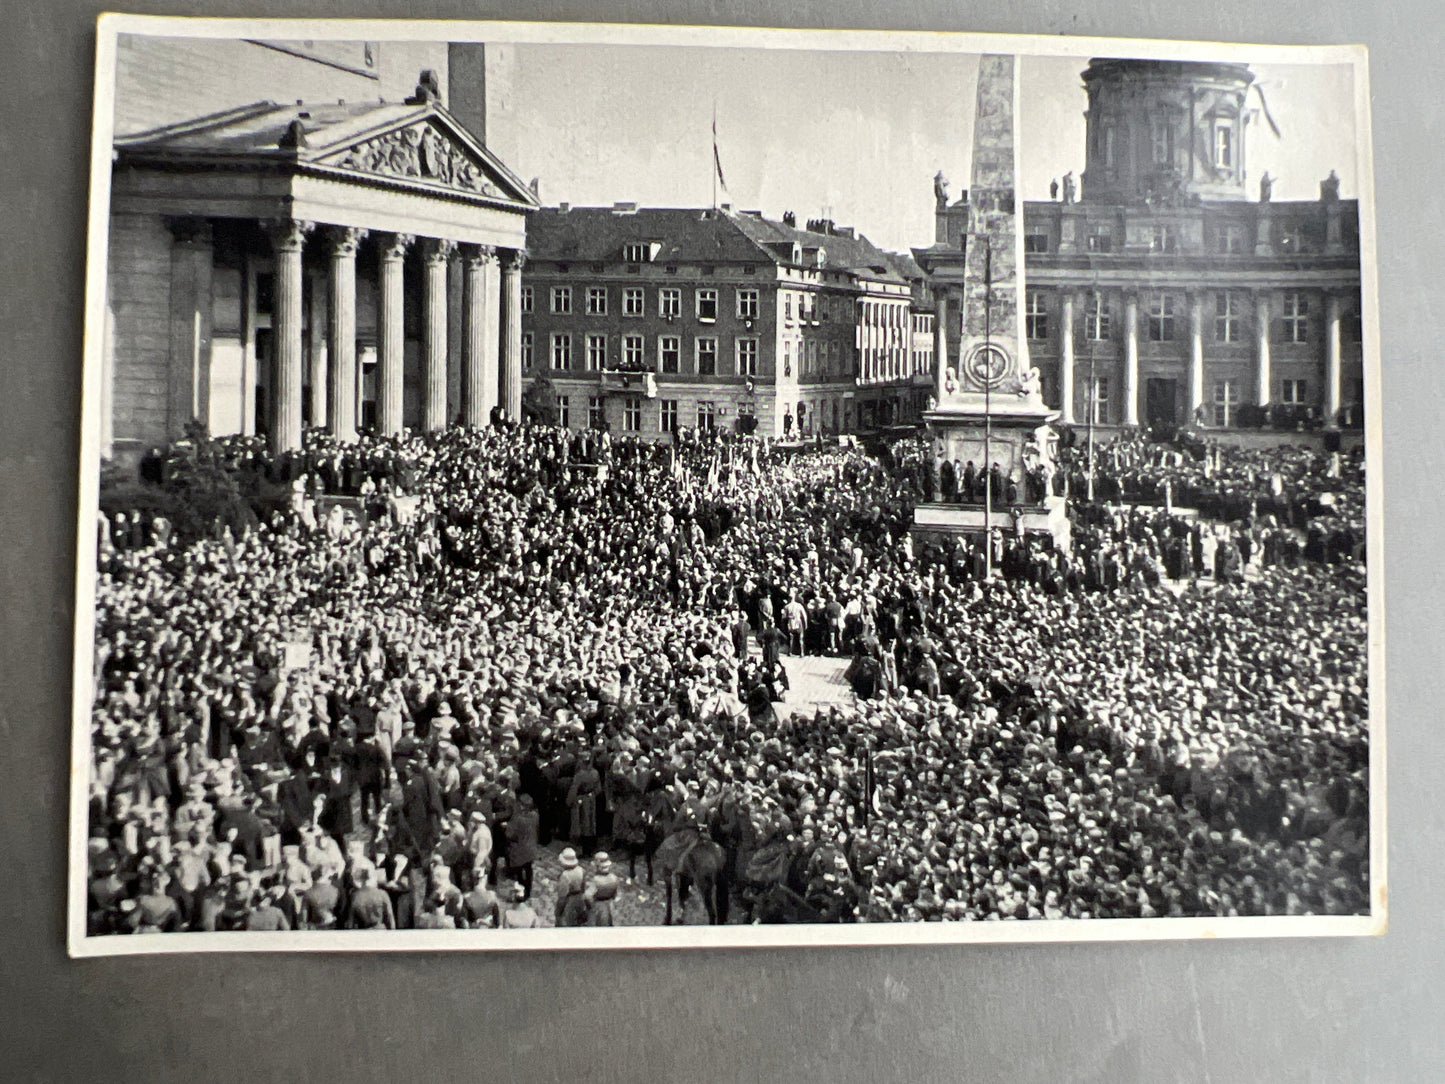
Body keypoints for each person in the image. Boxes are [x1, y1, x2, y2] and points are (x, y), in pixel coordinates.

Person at [553, 847, 589, 927]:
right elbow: (583, 887)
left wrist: (558, 911)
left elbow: (562, 896)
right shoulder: (581, 870)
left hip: (569, 902)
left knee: (567, 922)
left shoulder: (565, 876)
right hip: (580, 899)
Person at [586, 852, 620, 927]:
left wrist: (590, 906)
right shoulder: (614, 878)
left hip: (598, 907)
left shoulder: (595, 880)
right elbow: (616, 895)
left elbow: (588, 896)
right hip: (611, 906)